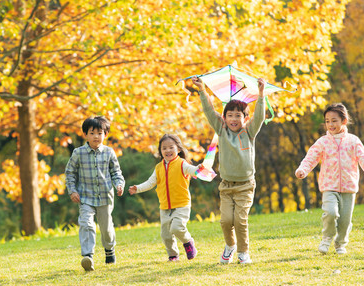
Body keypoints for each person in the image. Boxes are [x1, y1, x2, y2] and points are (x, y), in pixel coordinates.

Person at [192, 76, 266, 264]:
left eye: (238, 115)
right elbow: (210, 111)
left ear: (245, 118)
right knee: (225, 221)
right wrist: (202, 91)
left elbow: (259, 116)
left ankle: (243, 252)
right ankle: (230, 245)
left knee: (240, 221)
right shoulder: (222, 130)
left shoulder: (249, 132)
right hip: (226, 186)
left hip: (245, 186)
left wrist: (261, 94)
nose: (234, 119)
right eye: (230, 115)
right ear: (224, 118)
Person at [295, 103, 364, 255]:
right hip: (329, 186)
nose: (330, 124)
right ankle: (326, 238)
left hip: (348, 187)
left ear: (344, 121)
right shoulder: (323, 142)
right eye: (327, 121)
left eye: (334, 120)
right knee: (331, 212)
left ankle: (340, 244)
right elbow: (311, 157)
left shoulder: (353, 141)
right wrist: (302, 170)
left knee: (344, 221)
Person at [129, 134, 201, 262]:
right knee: (166, 234)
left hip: (181, 204)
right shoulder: (159, 168)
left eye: (171, 147)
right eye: (164, 148)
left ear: (178, 149)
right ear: (160, 151)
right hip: (165, 206)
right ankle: (173, 255)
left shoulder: (182, 164)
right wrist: (137, 188)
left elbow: (192, 170)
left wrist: (198, 169)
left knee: (177, 228)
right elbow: (150, 183)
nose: (167, 150)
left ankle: (188, 241)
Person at [65, 116, 125, 271]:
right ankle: (88, 256)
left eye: (100, 133)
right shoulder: (78, 153)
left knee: (106, 228)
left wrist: (119, 184)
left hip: (105, 196)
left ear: (105, 134)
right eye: (92, 133)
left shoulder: (109, 153)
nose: (96, 136)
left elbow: (116, 173)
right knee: (86, 223)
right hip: (85, 197)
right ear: (85, 135)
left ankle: (109, 250)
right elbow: (70, 173)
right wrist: (72, 191)